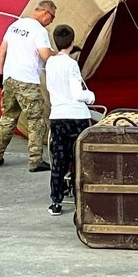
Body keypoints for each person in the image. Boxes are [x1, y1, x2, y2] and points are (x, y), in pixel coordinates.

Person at [0, 0, 57, 172]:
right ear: (45, 12)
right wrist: (59, 54)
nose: (51, 21)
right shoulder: (39, 31)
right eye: (52, 17)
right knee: (36, 120)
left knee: (8, 117)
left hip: (10, 78)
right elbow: (45, 55)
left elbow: (2, 50)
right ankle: (35, 160)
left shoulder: (15, 25)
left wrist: (1, 74)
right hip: (28, 81)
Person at [45, 24, 95, 216]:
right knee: (79, 159)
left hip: (57, 116)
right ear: (72, 42)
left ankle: (56, 201)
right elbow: (77, 94)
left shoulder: (50, 63)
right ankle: (80, 199)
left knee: (59, 160)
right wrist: (90, 96)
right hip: (76, 117)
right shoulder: (71, 65)